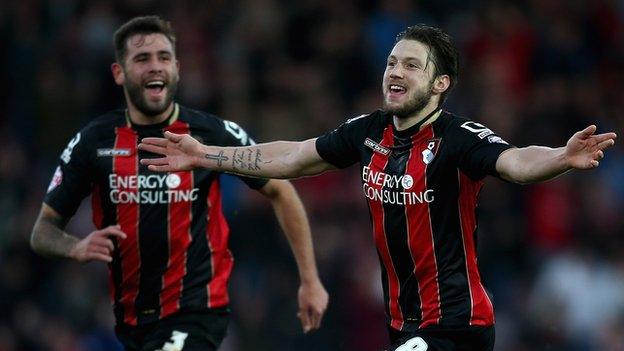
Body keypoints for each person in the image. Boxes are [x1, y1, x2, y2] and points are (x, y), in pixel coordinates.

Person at [138, 24, 617, 351]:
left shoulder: (457, 139)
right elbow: (294, 156)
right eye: (392, 62)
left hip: (457, 324)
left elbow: (515, 162)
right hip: (403, 325)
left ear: (439, 84)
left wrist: (560, 158)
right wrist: (206, 155)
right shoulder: (368, 132)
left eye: (412, 65)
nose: (395, 71)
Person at [30, 16, 328, 351]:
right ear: (119, 72)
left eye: (164, 57)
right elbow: (43, 232)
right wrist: (74, 247)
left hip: (197, 311)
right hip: (131, 322)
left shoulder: (211, 134)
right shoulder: (93, 142)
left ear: (177, 67)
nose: (155, 66)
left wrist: (309, 278)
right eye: (142, 59)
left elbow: (280, 189)